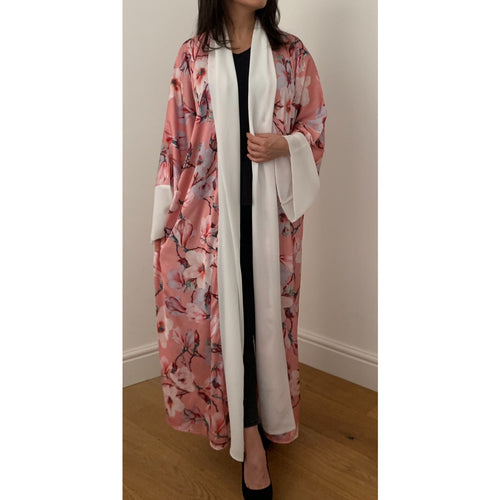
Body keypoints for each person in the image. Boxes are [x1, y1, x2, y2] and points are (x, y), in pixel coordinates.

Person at [151, 1, 327, 497]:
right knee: (226, 321)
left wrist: (283, 145)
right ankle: (249, 438)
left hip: (272, 220)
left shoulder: (292, 54)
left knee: (262, 320)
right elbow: (175, 141)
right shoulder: (193, 56)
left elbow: (314, 124)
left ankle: (262, 419)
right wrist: (164, 220)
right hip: (210, 220)